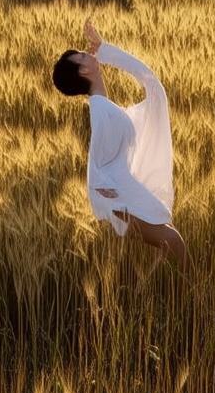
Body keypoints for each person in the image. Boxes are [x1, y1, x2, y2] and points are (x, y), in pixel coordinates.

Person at [52, 18, 187, 266]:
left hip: (125, 193)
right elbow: (98, 161)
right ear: (84, 71)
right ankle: (193, 296)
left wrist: (105, 50)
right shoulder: (103, 111)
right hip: (120, 200)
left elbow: (152, 83)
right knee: (173, 241)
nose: (87, 53)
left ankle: (154, 294)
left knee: (169, 240)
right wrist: (112, 199)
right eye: (83, 56)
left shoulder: (106, 107)